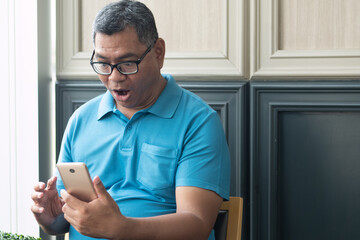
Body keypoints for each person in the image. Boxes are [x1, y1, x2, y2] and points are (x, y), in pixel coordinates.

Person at [31, 1, 230, 239]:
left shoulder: (198, 122)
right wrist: (52, 219)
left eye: (127, 63)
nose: (114, 77)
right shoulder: (81, 120)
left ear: (158, 53)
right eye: (103, 63)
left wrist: (121, 229)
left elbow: (196, 223)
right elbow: (66, 220)